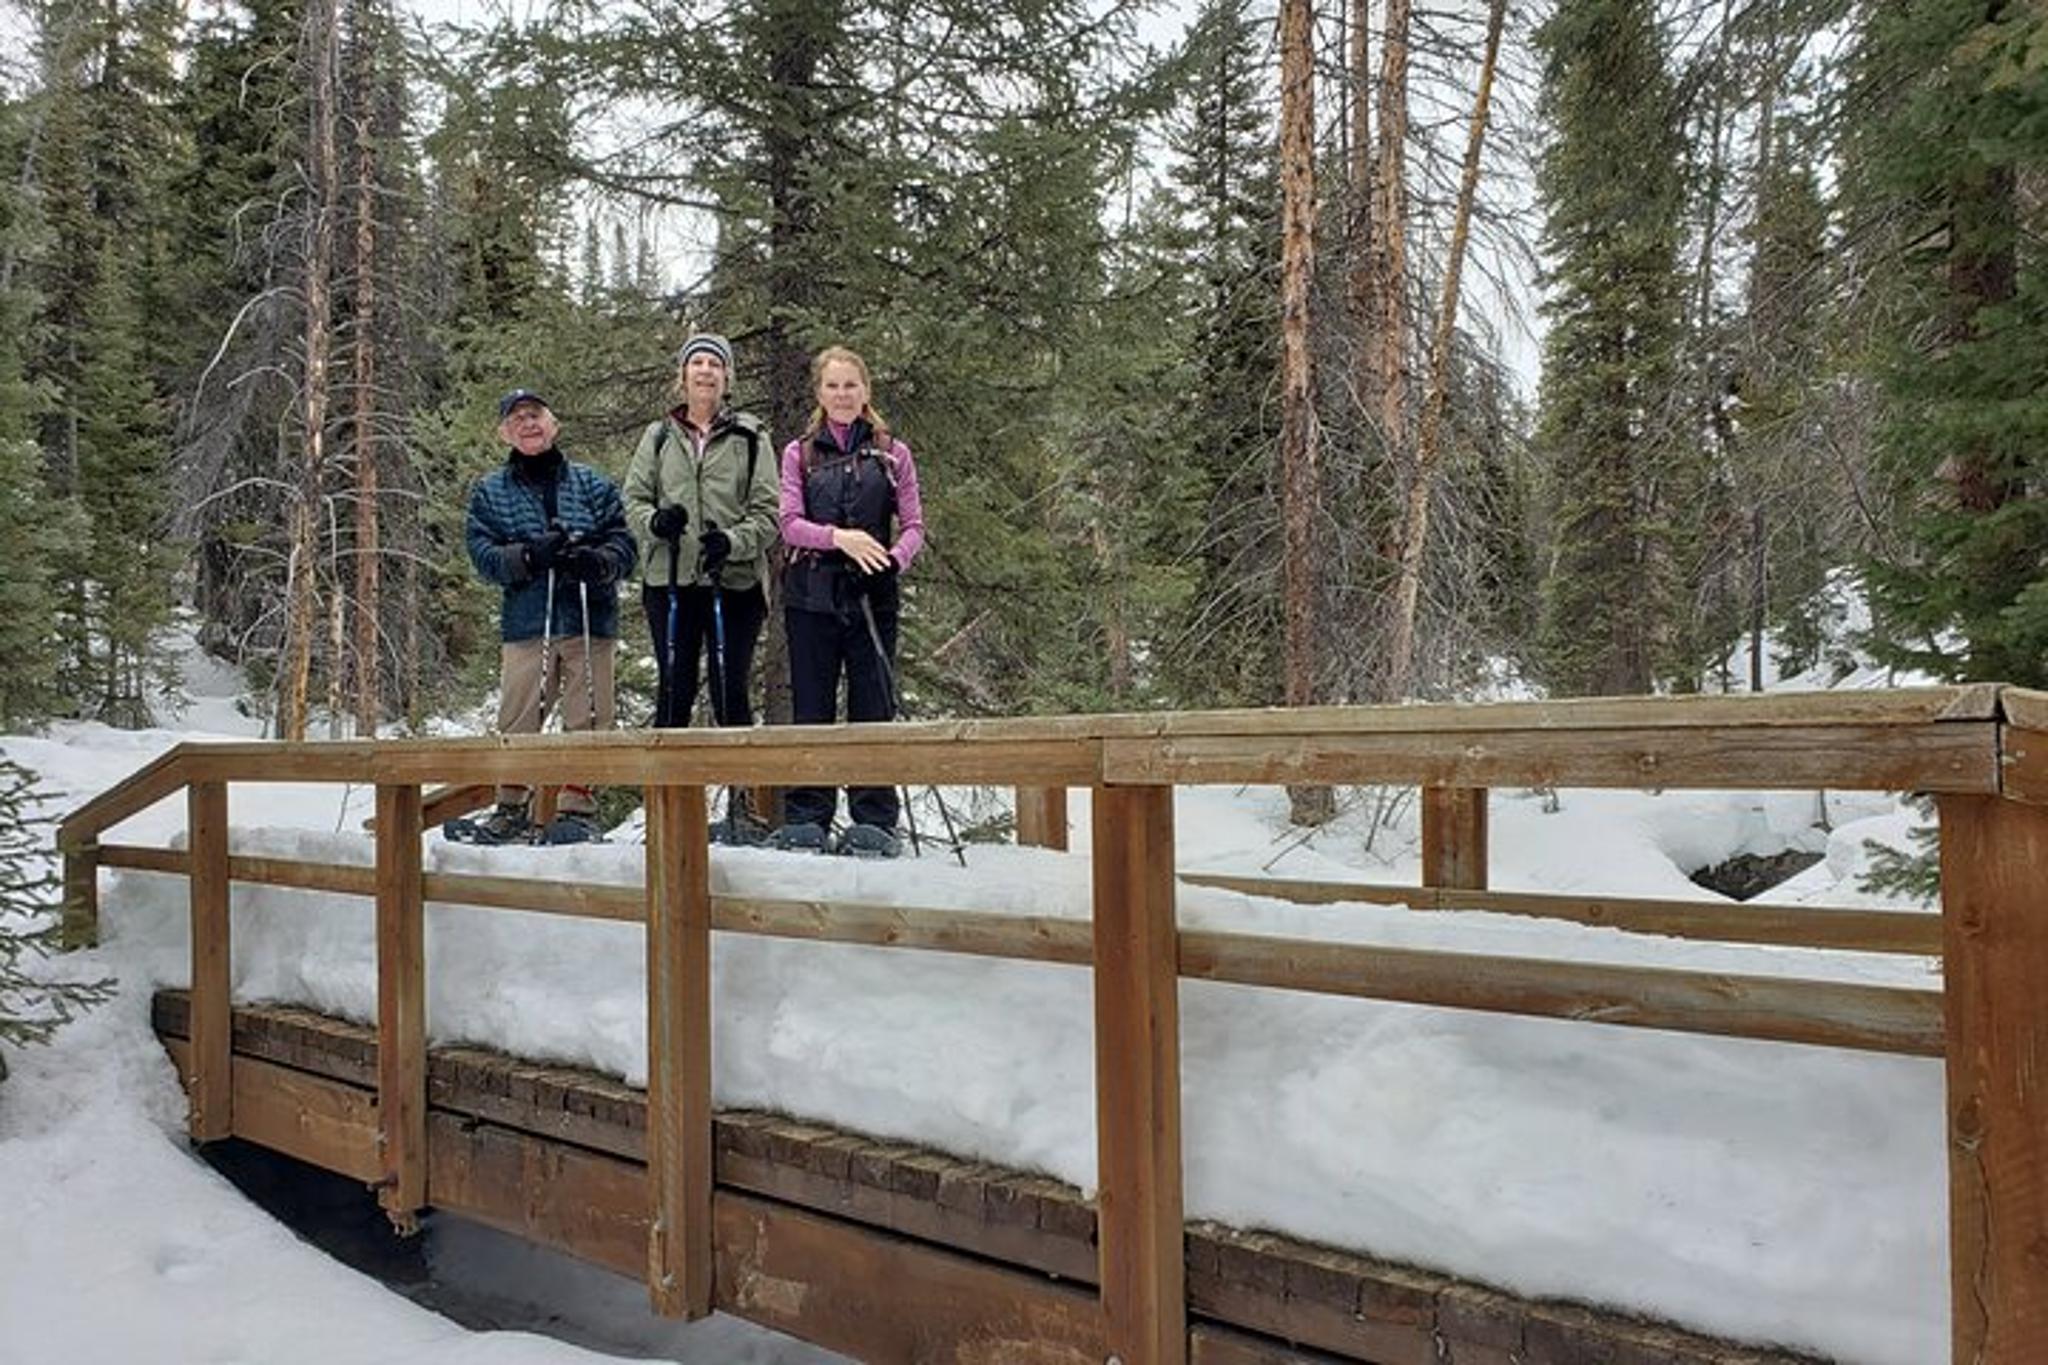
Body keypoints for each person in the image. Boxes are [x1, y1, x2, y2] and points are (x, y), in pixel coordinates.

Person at [457, 389, 637, 845]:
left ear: (553, 425)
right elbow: (482, 553)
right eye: (517, 419)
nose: (528, 424)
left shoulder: (591, 483)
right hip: (527, 620)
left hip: (587, 616)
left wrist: (598, 562)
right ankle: (512, 806)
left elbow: (623, 541)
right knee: (519, 714)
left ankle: (578, 808)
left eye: (535, 416)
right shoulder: (491, 491)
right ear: (504, 433)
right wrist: (527, 557)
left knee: (590, 714)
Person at [623, 333, 780, 841]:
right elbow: (634, 499)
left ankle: (742, 807)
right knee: (675, 689)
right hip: (670, 580)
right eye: (697, 364)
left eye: (715, 364)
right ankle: (667, 807)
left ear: (727, 376)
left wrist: (731, 541)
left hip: (731, 582)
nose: (706, 372)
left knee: (730, 686)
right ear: (683, 375)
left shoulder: (751, 435)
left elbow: (768, 511)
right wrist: (657, 523)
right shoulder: (659, 436)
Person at [772, 346, 925, 857]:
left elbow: (914, 526)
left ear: (866, 392)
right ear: (819, 393)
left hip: (872, 594)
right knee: (812, 703)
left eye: (851, 386)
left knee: (872, 702)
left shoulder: (892, 452)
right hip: (812, 592)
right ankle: (807, 815)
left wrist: (889, 561)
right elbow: (789, 523)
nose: (842, 395)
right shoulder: (800, 452)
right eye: (833, 386)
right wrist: (841, 539)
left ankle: (875, 817)